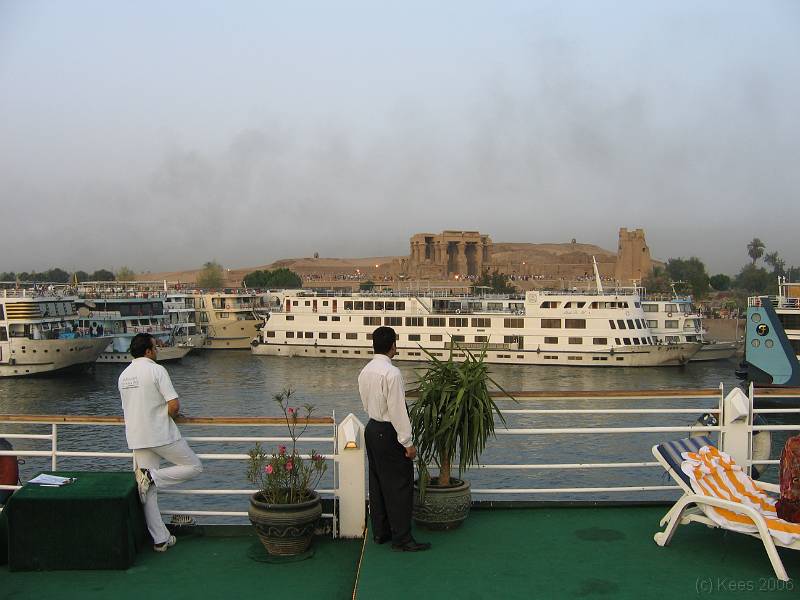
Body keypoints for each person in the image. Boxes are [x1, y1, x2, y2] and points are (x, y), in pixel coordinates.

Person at [118, 333, 203, 552]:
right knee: (194, 466)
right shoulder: (157, 370)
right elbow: (174, 405)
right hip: (160, 434)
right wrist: (168, 416)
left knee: (148, 493)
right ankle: (152, 477)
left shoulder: (123, 375)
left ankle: (160, 539)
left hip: (137, 436)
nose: (157, 350)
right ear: (148, 351)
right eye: (155, 347)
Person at [358, 326, 430, 552]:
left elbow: (366, 403)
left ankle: (381, 532)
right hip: (389, 431)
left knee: (378, 481)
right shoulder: (392, 373)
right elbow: (397, 410)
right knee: (399, 484)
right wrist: (408, 443)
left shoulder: (365, 371)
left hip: (372, 428)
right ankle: (402, 538)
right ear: (392, 346)